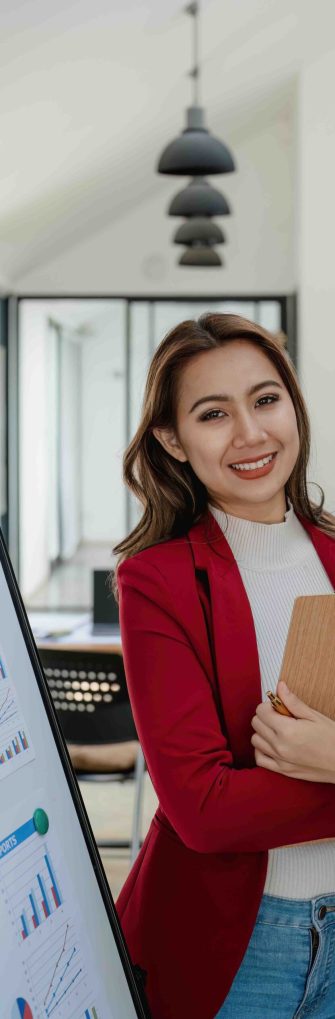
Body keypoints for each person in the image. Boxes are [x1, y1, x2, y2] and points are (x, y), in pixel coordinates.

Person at [112, 313, 335, 1019]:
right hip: (238, 948)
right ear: (172, 439)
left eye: (265, 399)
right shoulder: (156, 580)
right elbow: (202, 812)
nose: (249, 433)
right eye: (213, 413)